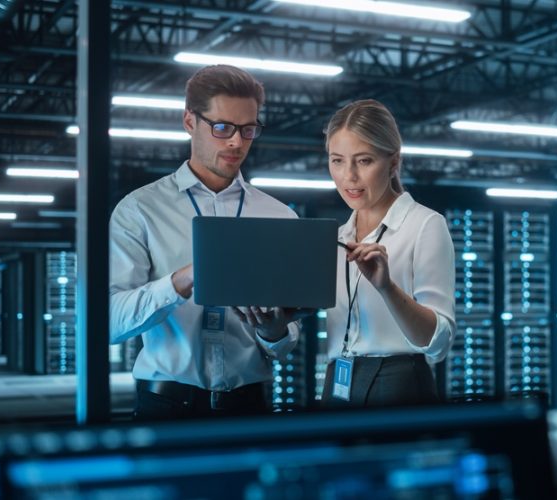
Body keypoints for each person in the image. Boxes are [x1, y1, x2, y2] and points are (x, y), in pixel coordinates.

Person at [109, 65, 303, 420]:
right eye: (222, 127)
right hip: (166, 409)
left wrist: (273, 331)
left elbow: (284, 344)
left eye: (248, 130)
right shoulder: (140, 209)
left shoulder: (279, 217)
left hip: (249, 410)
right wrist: (183, 280)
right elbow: (110, 323)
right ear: (189, 122)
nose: (236, 142)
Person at [321, 99, 456, 407]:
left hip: (400, 385)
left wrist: (387, 288)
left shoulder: (425, 225)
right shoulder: (339, 235)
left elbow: (438, 343)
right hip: (337, 383)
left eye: (364, 160)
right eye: (337, 161)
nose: (348, 177)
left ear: (393, 162)